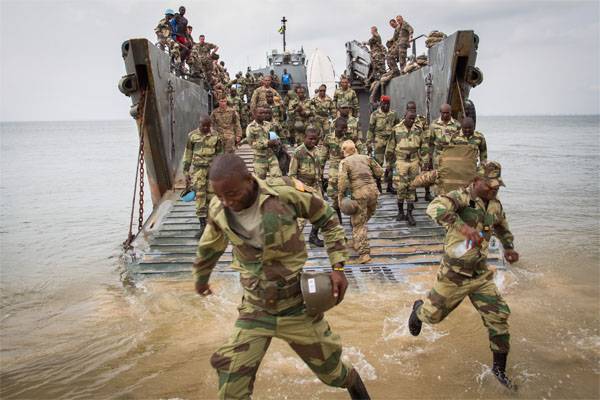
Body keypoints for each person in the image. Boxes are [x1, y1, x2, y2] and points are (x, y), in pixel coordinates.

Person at [194, 154, 371, 400]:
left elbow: (327, 218)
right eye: (220, 196)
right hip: (255, 310)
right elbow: (209, 247)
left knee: (334, 374)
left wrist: (338, 268)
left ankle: (355, 385)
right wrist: (201, 279)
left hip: (296, 306)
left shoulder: (283, 194)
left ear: (248, 180)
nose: (226, 202)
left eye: (232, 194)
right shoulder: (219, 210)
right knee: (231, 387)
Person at [408, 161, 519, 391]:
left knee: (499, 320)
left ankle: (498, 371)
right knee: (432, 317)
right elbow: (434, 208)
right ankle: (418, 309)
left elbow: (502, 227)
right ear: (476, 181)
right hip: (454, 274)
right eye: (489, 185)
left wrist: (508, 247)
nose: (493, 189)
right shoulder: (460, 198)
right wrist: (464, 228)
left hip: (480, 275)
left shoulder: (495, 206)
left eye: (497, 186)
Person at [337, 140, 383, 264]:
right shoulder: (367, 158)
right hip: (373, 192)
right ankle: (357, 240)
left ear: (344, 151)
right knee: (364, 217)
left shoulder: (344, 162)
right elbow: (380, 172)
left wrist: (340, 197)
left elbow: (342, 181)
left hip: (359, 194)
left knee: (358, 224)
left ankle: (364, 253)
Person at [182, 116, 224, 237]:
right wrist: (185, 171)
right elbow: (188, 153)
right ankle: (202, 226)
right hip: (198, 170)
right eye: (203, 125)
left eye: (207, 125)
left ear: (210, 124)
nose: (205, 128)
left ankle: (213, 223)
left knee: (212, 196)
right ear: (199, 124)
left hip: (212, 169)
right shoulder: (192, 136)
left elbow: (220, 153)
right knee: (200, 196)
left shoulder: (216, 136)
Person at [386, 111, 429, 225]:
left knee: (412, 187)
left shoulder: (418, 129)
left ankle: (410, 213)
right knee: (401, 187)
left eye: (413, 119)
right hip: (401, 161)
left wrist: (425, 162)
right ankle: (400, 212)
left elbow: (424, 146)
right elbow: (390, 147)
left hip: (414, 161)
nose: (411, 120)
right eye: (409, 118)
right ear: (404, 117)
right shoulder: (396, 129)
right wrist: (389, 164)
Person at [289, 128, 325, 247]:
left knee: (320, 212)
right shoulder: (298, 152)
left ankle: (313, 236)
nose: (313, 141)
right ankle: (295, 240)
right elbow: (292, 174)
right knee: (301, 217)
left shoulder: (318, 151)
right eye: (310, 139)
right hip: (303, 186)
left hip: (315, 186)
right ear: (304, 138)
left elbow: (319, 168)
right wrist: (299, 188)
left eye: (315, 139)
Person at [320, 118, 353, 224]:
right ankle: (339, 221)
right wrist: (320, 170)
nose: (344, 131)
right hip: (334, 167)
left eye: (345, 128)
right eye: (341, 129)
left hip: (348, 165)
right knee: (334, 194)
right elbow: (323, 155)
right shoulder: (328, 138)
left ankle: (353, 220)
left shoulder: (350, 137)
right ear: (335, 127)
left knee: (352, 193)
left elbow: (359, 151)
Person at [366, 95, 400, 193]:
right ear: (381, 104)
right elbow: (371, 129)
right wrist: (368, 142)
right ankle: (378, 184)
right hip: (379, 141)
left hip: (390, 141)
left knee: (391, 164)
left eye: (387, 104)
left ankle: (389, 185)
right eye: (384, 104)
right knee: (378, 164)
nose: (386, 106)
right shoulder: (375, 115)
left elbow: (398, 127)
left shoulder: (393, 114)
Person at [406, 101, 433, 201]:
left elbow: (427, 134)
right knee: (413, 173)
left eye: (414, 109)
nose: (412, 111)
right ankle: (414, 193)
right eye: (410, 109)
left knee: (425, 171)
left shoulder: (422, 119)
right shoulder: (404, 120)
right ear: (407, 110)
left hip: (423, 149)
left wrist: (428, 151)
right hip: (412, 150)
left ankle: (427, 192)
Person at [246, 107, 282, 179]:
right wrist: (267, 143)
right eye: (261, 113)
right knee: (260, 180)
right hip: (259, 157)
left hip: (271, 156)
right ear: (254, 114)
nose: (263, 115)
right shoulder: (250, 127)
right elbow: (252, 143)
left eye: (265, 113)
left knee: (277, 178)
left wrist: (277, 141)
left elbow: (274, 136)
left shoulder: (269, 125)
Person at [430, 103, 462, 169]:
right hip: (437, 156)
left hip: (451, 156)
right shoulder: (434, 124)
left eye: (447, 113)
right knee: (437, 176)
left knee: (449, 176)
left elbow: (460, 142)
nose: (445, 115)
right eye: (443, 113)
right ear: (440, 112)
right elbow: (430, 142)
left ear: (451, 112)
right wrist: (429, 158)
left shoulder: (457, 125)